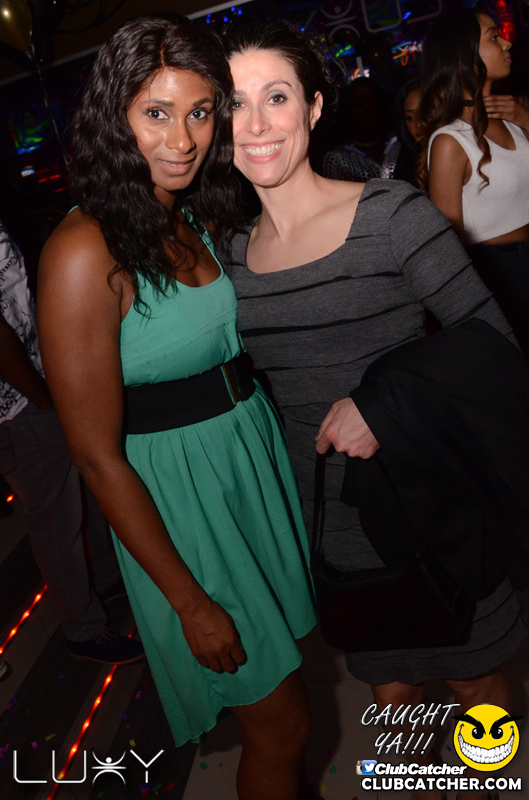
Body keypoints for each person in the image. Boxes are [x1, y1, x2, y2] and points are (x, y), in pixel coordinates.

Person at [224, 20, 526, 800]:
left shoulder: (391, 214)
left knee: (476, 686)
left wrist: (383, 405)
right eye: (233, 103)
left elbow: (494, 349)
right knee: (393, 698)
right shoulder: (227, 261)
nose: (254, 123)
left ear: (313, 107)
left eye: (275, 97)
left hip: (434, 499)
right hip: (333, 521)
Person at [37, 14, 317, 800]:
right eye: (156, 113)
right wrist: (189, 601)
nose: (183, 139)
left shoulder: (186, 211)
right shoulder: (82, 250)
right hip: (183, 508)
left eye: (199, 112)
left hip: (244, 469)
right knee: (281, 726)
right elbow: (95, 456)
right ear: (113, 117)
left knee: (291, 697)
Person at [0, 220, 143, 666]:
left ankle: (104, 578)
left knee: (80, 487)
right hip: (17, 403)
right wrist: (43, 399)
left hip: (35, 384)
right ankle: (84, 629)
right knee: (55, 517)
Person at [419, 9, 529, 356]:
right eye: (494, 37)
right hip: (501, 278)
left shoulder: (514, 119)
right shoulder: (450, 140)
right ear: (463, 56)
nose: (507, 42)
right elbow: (446, 246)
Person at [322, 77, 400, 181]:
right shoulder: (338, 158)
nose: (368, 109)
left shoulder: (397, 145)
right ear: (348, 110)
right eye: (359, 105)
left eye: (373, 102)